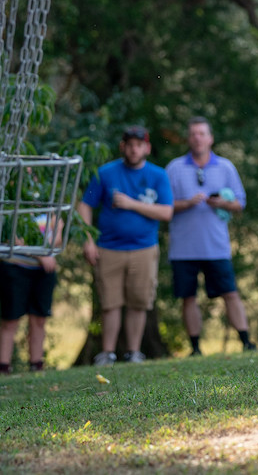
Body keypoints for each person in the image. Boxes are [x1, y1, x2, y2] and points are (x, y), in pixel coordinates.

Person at [77, 126, 173, 366]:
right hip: (108, 248)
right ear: (122, 147)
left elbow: (166, 212)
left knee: (138, 302)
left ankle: (133, 352)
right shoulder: (105, 173)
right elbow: (84, 205)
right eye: (129, 144)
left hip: (144, 248)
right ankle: (108, 353)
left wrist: (132, 204)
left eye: (139, 145)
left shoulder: (158, 175)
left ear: (147, 148)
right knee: (110, 303)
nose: (134, 149)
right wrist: (88, 240)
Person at [166, 117, 255, 355]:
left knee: (230, 293)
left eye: (202, 133)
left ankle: (246, 342)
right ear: (188, 138)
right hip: (183, 247)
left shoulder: (225, 167)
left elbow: (240, 203)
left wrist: (222, 203)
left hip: (216, 246)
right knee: (188, 297)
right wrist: (186, 203)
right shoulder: (174, 168)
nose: (197, 138)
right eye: (193, 133)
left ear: (210, 138)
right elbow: (162, 207)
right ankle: (195, 347)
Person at [0, 217, 62, 375]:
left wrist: (46, 253)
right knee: (10, 320)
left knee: (39, 319)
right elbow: (14, 237)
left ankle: (36, 365)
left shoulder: (49, 204)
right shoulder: (19, 199)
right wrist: (41, 256)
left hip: (44, 271)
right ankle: (3, 367)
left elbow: (57, 237)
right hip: (14, 267)